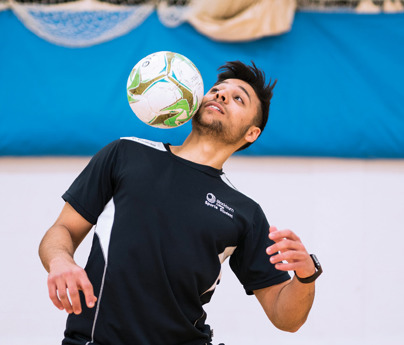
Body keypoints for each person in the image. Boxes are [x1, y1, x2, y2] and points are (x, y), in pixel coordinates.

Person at [39, 61, 322, 345]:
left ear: (251, 133)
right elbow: (62, 229)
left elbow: (285, 317)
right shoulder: (125, 153)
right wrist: (61, 260)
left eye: (238, 98)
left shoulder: (245, 212)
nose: (221, 95)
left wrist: (306, 275)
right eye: (216, 90)